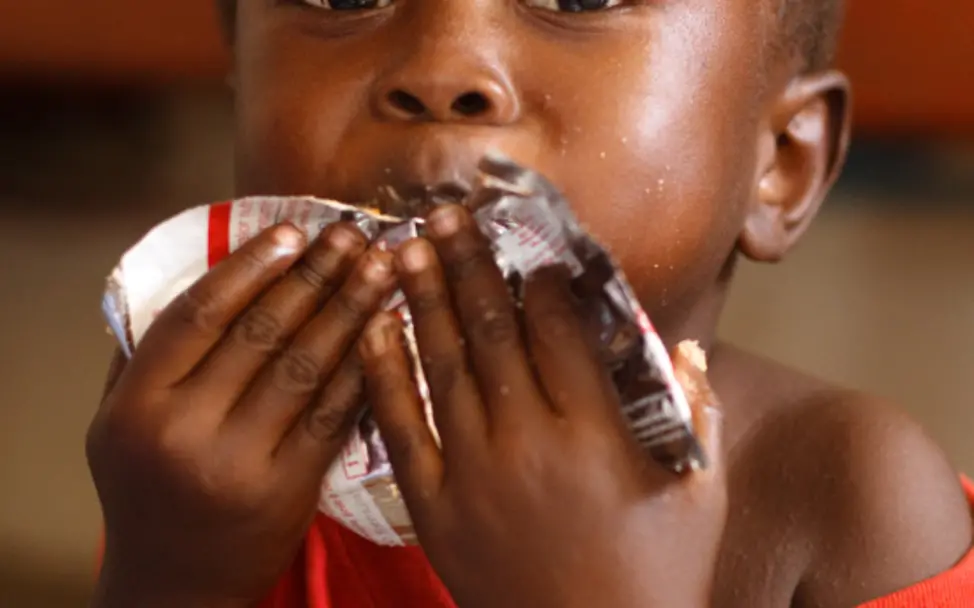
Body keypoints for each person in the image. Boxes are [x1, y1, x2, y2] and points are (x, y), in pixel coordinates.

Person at [85, 0, 974, 606]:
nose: (441, 68)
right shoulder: (211, 454)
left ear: (779, 161)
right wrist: (171, 577)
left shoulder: (852, 499)